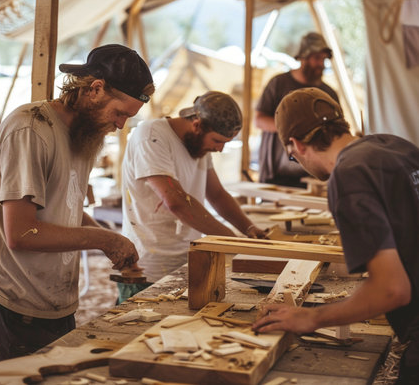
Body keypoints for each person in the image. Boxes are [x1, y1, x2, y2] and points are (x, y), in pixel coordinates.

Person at [0, 44, 155, 362]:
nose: (121, 125)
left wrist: (112, 242)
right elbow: (21, 233)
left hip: (58, 306)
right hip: (14, 308)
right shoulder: (31, 130)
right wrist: (104, 238)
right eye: (120, 113)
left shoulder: (84, 134)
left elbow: (65, 210)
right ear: (95, 89)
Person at [252, 87, 419, 384]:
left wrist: (311, 318)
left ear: (296, 144)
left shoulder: (349, 175)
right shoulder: (393, 145)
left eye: (292, 157)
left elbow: (392, 289)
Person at [120, 91, 267, 301]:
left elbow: (216, 194)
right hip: (148, 267)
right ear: (197, 125)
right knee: (136, 329)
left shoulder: (199, 146)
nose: (220, 148)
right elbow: (176, 202)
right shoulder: (151, 135)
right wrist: (235, 243)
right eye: (217, 140)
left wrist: (249, 228)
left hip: (188, 259)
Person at [255, 32, 340, 187]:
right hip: (277, 174)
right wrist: (291, 129)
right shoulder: (278, 84)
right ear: (303, 58)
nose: (321, 64)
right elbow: (259, 119)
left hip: (315, 176)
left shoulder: (329, 94)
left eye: (323, 59)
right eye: (316, 58)